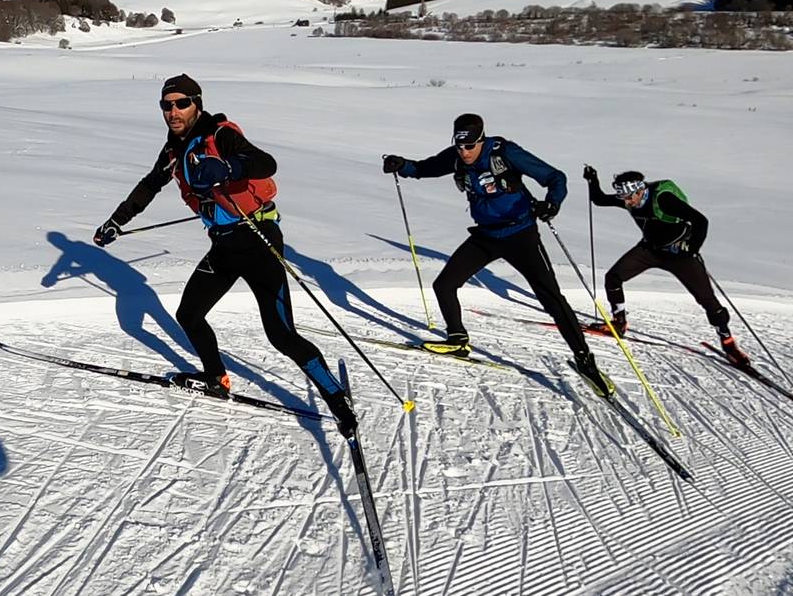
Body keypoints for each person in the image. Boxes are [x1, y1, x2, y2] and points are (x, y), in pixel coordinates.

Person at [93, 74, 357, 434]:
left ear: (196, 103)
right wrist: (116, 221)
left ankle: (336, 398)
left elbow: (265, 163)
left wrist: (229, 167)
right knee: (189, 314)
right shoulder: (173, 149)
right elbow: (149, 185)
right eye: (166, 105)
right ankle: (216, 379)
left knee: (280, 335)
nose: (173, 111)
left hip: (257, 238)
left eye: (181, 103)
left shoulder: (219, 134)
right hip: (224, 245)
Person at [382, 113, 616, 397]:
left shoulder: (504, 153)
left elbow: (556, 177)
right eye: (459, 146)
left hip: (521, 235)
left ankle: (585, 361)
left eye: (469, 146)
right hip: (486, 236)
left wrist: (552, 205)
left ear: (480, 139)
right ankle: (457, 339)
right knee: (444, 285)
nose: (464, 152)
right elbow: (423, 168)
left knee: (551, 298)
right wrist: (401, 165)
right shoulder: (456, 157)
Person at [583, 167, 748, 365]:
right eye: (623, 197)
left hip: (678, 255)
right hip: (649, 250)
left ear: (639, 191)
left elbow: (700, 221)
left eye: (628, 197)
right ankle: (619, 323)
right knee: (613, 277)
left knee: (707, 300)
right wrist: (592, 180)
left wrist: (691, 249)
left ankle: (728, 343)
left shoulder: (663, 200)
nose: (626, 202)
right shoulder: (630, 196)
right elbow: (600, 200)